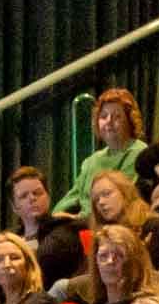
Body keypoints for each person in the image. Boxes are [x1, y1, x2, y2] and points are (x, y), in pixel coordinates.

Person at [57, 89, 147, 217]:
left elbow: (120, 200)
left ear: (130, 121)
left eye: (116, 116)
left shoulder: (139, 152)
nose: (109, 121)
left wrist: (77, 218)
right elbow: (72, 197)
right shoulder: (91, 161)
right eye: (104, 116)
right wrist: (55, 216)